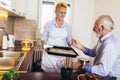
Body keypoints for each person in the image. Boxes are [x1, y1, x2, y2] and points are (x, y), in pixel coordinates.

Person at [72, 15, 120, 80]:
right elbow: (94, 52)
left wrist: (80, 67)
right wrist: (79, 46)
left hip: (107, 77)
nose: (93, 29)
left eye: (95, 26)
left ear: (102, 27)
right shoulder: (103, 39)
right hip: (100, 74)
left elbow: (103, 71)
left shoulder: (110, 45)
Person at [41, 2, 72, 73]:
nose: (63, 15)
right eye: (61, 12)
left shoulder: (67, 26)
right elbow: (43, 39)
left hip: (61, 56)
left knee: (59, 76)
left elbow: (69, 42)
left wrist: (73, 42)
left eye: (65, 13)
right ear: (56, 12)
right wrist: (44, 45)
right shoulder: (49, 24)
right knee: (47, 76)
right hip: (49, 56)